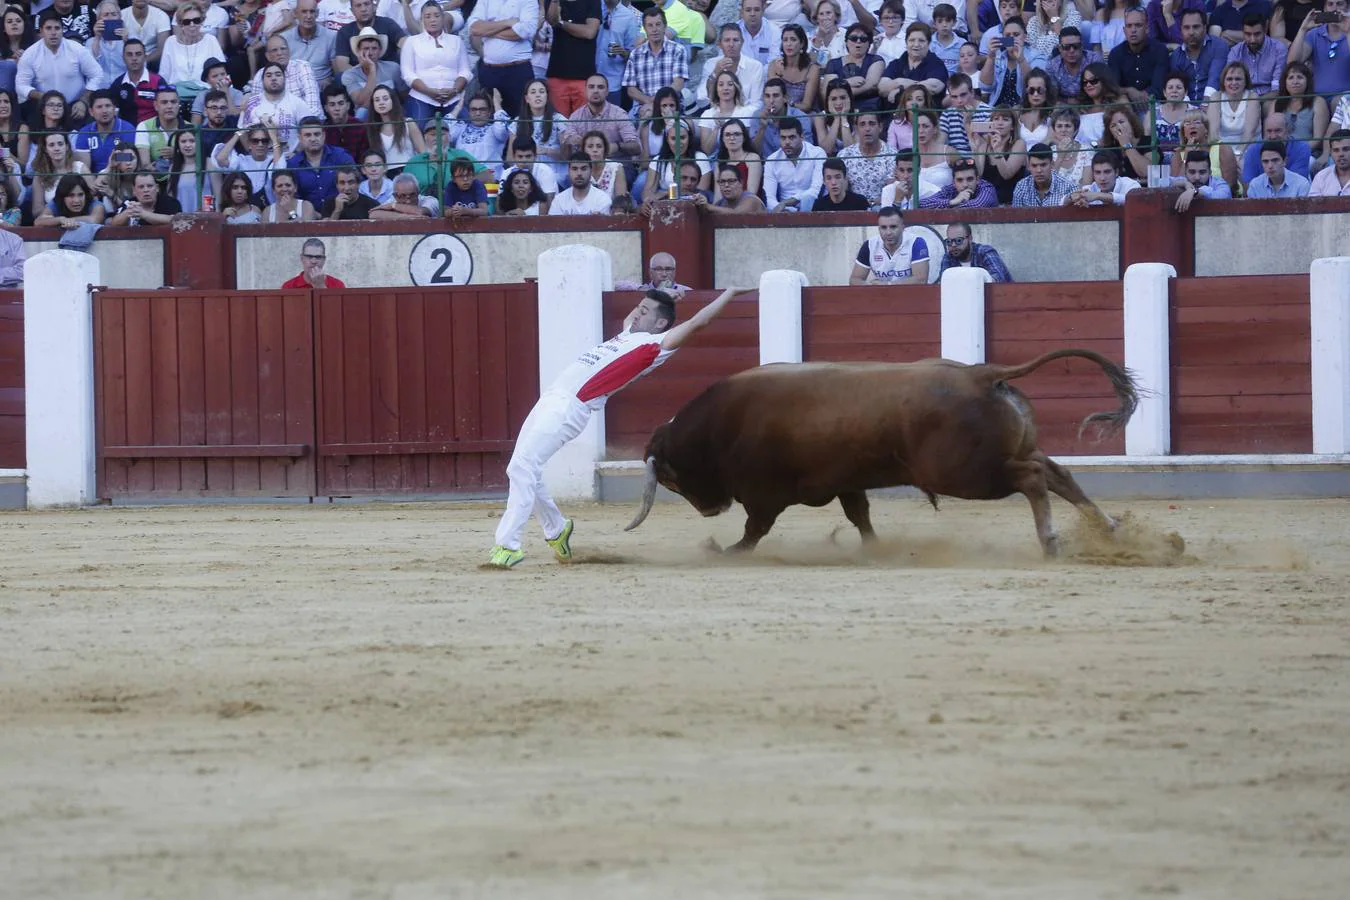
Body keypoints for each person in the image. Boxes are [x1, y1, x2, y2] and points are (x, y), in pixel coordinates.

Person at [486, 285, 756, 568]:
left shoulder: (658, 345)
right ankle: (557, 529)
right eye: (638, 309)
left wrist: (731, 293)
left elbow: (700, 321)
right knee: (522, 467)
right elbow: (638, 313)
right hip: (552, 398)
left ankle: (508, 546)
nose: (636, 315)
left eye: (644, 312)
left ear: (661, 323)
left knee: (522, 467)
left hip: (571, 407)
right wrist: (661, 296)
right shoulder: (629, 333)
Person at [849, 206, 930, 285]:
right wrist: (870, 287)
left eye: (893, 227)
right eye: (883, 227)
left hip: (911, 296)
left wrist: (888, 285)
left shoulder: (916, 243)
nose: (888, 232)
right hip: (881, 296)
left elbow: (921, 280)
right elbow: (854, 279)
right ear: (879, 229)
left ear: (902, 227)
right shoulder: (869, 245)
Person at [937, 222, 1013, 281]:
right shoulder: (948, 257)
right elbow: (944, 282)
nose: (953, 245)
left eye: (958, 240)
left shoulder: (985, 252)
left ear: (970, 239)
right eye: (949, 242)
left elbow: (998, 279)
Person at [1245, 140, 1312, 196]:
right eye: (1265, 161)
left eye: (1275, 160)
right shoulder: (1254, 185)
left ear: (1285, 161)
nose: (1270, 166)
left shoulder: (1301, 184)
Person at [282, 238, 346, 288]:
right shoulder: (288, 286)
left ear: (324, 260)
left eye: (318, 257)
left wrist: (320, 286)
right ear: (302, 259)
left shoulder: (338, 285)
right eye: (309, 256)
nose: (314, 261)